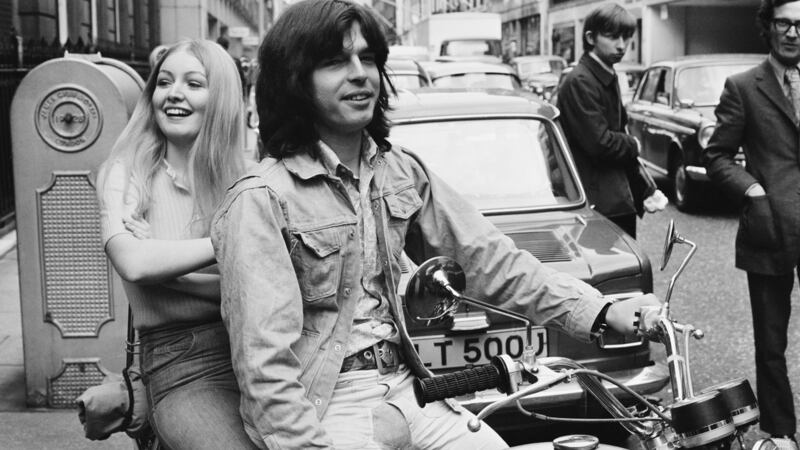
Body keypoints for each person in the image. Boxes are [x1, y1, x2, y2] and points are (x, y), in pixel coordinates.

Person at [211, 1, 661, 449]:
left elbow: (492, 260)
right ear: (294, 80)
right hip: (326, 404)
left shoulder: (401, 171)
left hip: (410, 386)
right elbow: (265, 368)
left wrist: (599, 312)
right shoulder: (261, 198)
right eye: (334, 62)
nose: (359, 74)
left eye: (367, 59)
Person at [96, 39, 258, 450]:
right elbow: (134, 264)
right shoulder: (127, 173)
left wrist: (172, 272)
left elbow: (269, 288)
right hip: (180, 364)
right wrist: (228, 244)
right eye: (164, 82)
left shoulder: (248, 178)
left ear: (220, 97)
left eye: (194, 83)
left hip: (260, 353)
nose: (174, 94)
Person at [703, 1, 800, 447]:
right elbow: (717, 156)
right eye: (784, 22)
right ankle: (781, 432)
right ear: (769, 27)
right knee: (771, 341)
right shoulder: (743, 86)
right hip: (770, 229)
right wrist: (752, 190)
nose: (793, 32)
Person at [556, 3, 666, 239]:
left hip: (610, 199)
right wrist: (633, 144)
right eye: (612, 36)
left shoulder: (604, 74)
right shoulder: (581, 81)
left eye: (626, 37)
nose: (621, 45)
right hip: (598, 202)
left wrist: (644, 188)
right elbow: (600, 143)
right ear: (590, 37)